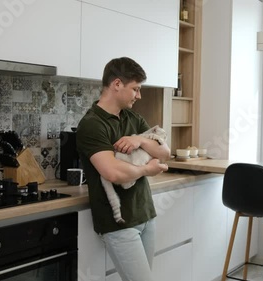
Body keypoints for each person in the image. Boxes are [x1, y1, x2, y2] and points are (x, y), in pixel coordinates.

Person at [76, 57, 170, 281]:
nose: (139, 95)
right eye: (135, 89)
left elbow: (165, 152)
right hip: (119, 225)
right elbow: (113, 172)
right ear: (117, 84)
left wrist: (139, 140)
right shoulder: (92, 124)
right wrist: (148, 169)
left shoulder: (132, 118)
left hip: (145, 214)